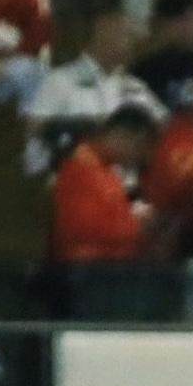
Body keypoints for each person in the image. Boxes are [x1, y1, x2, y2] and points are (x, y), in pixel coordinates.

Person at [22, 11, 159, 179]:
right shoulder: (60, 80)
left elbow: (161, 126)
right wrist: (91, 127)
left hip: (127, 185)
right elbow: (34, 129)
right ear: (103, 32)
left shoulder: (135, 86)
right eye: (127, 35)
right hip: (74, 181)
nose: (135, 43)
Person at [46, 105, 162, 272]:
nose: (138, 158)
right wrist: (139, 226)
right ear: (125, 136)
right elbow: (83, 230)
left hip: (109, 269)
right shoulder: (81, 167)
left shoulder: (105, 169)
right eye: (139, 148)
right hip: (86, 274)